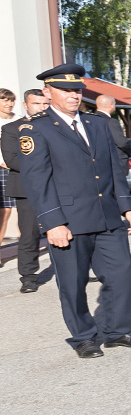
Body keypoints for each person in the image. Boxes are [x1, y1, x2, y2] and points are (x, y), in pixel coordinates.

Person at [15, 65, 131, 357]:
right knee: (73, 281)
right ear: (48, 93)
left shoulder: (97, 124)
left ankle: (119, 330)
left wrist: (127, 207)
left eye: (77, 90)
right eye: (66, 91)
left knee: (121, 272)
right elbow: (37, 180)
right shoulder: (35, 128)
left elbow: (114, 169)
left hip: (107, 216)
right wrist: (52, 223)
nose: (74, 96)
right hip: (69, 220)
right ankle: (83, 337)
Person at [1, 89, 47, 291]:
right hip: (27, 186)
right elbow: (12, 160)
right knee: (30, 232)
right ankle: (28, 276)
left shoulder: (56, 125)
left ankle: (76, 269)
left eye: (45, 103)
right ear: (25, 105)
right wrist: (48, 165)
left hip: (59, 185)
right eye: (36, 104)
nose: (41, 108)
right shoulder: (13, 129)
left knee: (70, 228)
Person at [0, 88, 15, 261]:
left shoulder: (18, 119)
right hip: (2, 168)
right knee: (4, 211)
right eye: (5, 100)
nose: (9, 103)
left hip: (17, 168)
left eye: (11, 100)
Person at [94, 94, 131, 159]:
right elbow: (122, 143)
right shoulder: (111, 122)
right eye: (114, 104)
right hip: (115, 161)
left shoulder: (90, 119)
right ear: (111, 105)